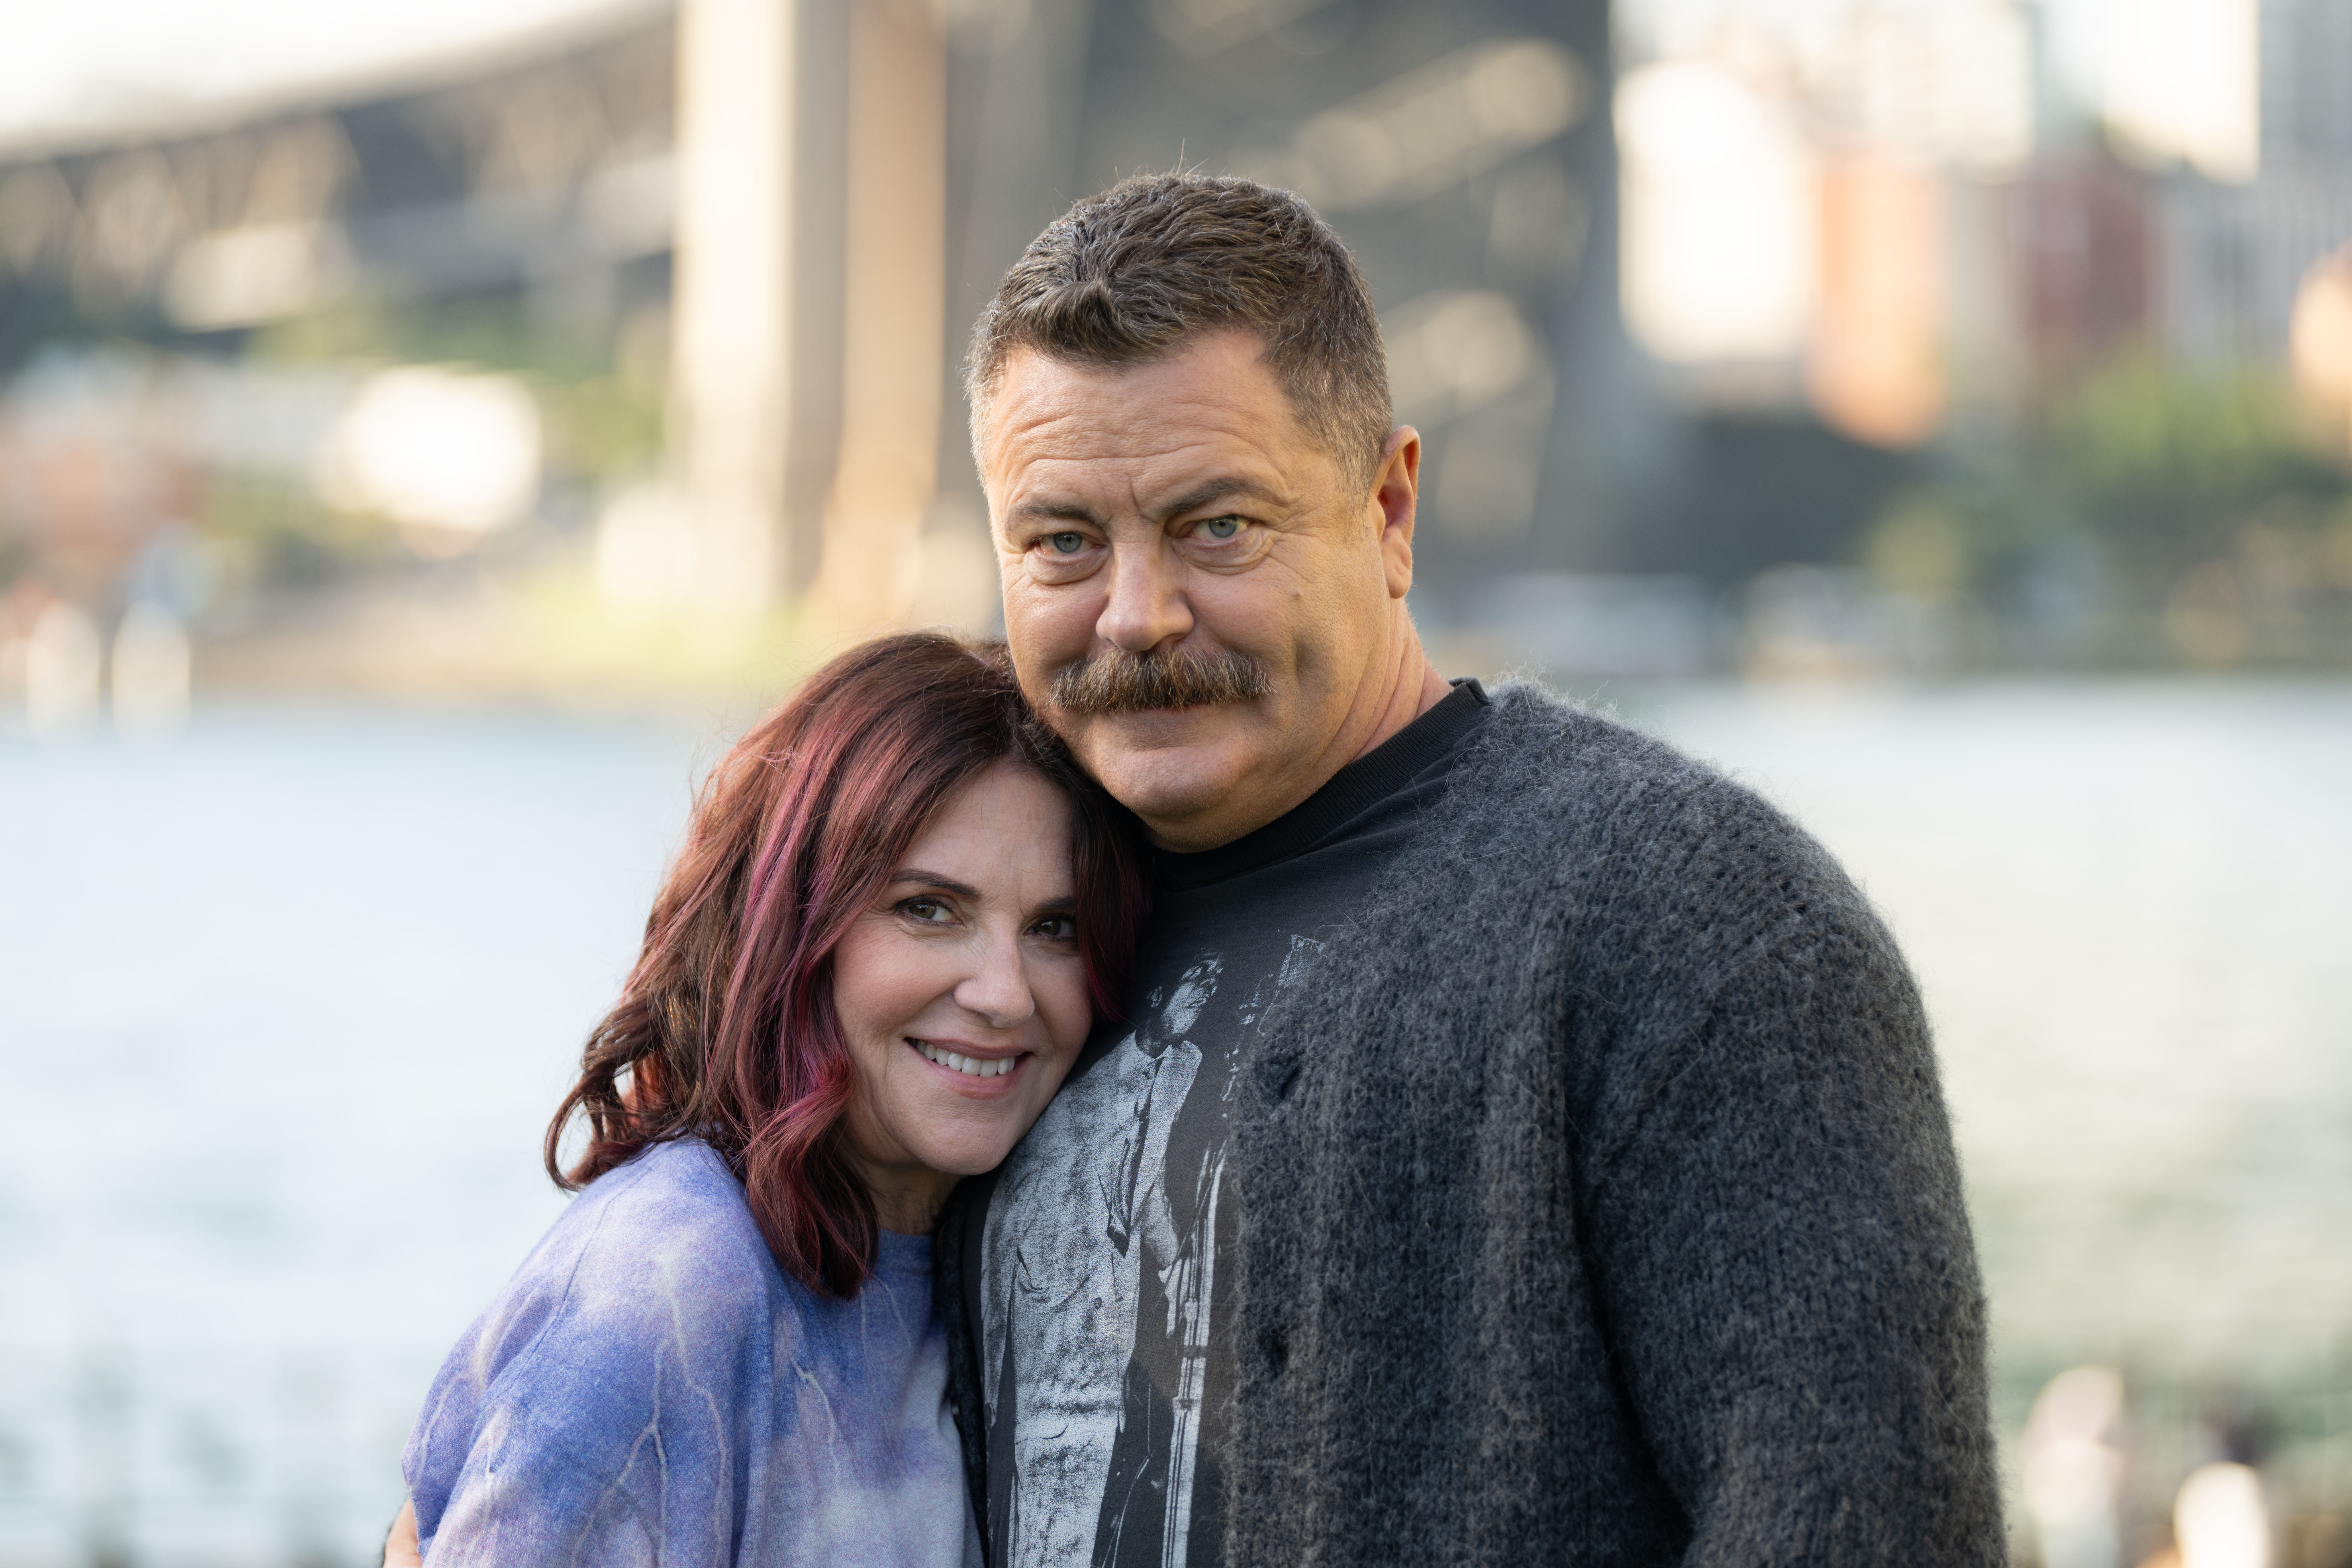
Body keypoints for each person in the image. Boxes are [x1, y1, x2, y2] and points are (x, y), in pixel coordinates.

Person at [933, 172, 2006, 1566]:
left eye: (1220, 525)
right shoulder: (972, 950)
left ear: (1389, 509)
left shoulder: (1698, 925)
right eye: (1064, 542)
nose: (1136, 615)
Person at [395, 633, 1149, 1567]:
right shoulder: (668, 1285)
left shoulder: (982, 1255)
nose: (1005, 993)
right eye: (927, 908)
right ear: (793, 925)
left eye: (1056, 927)